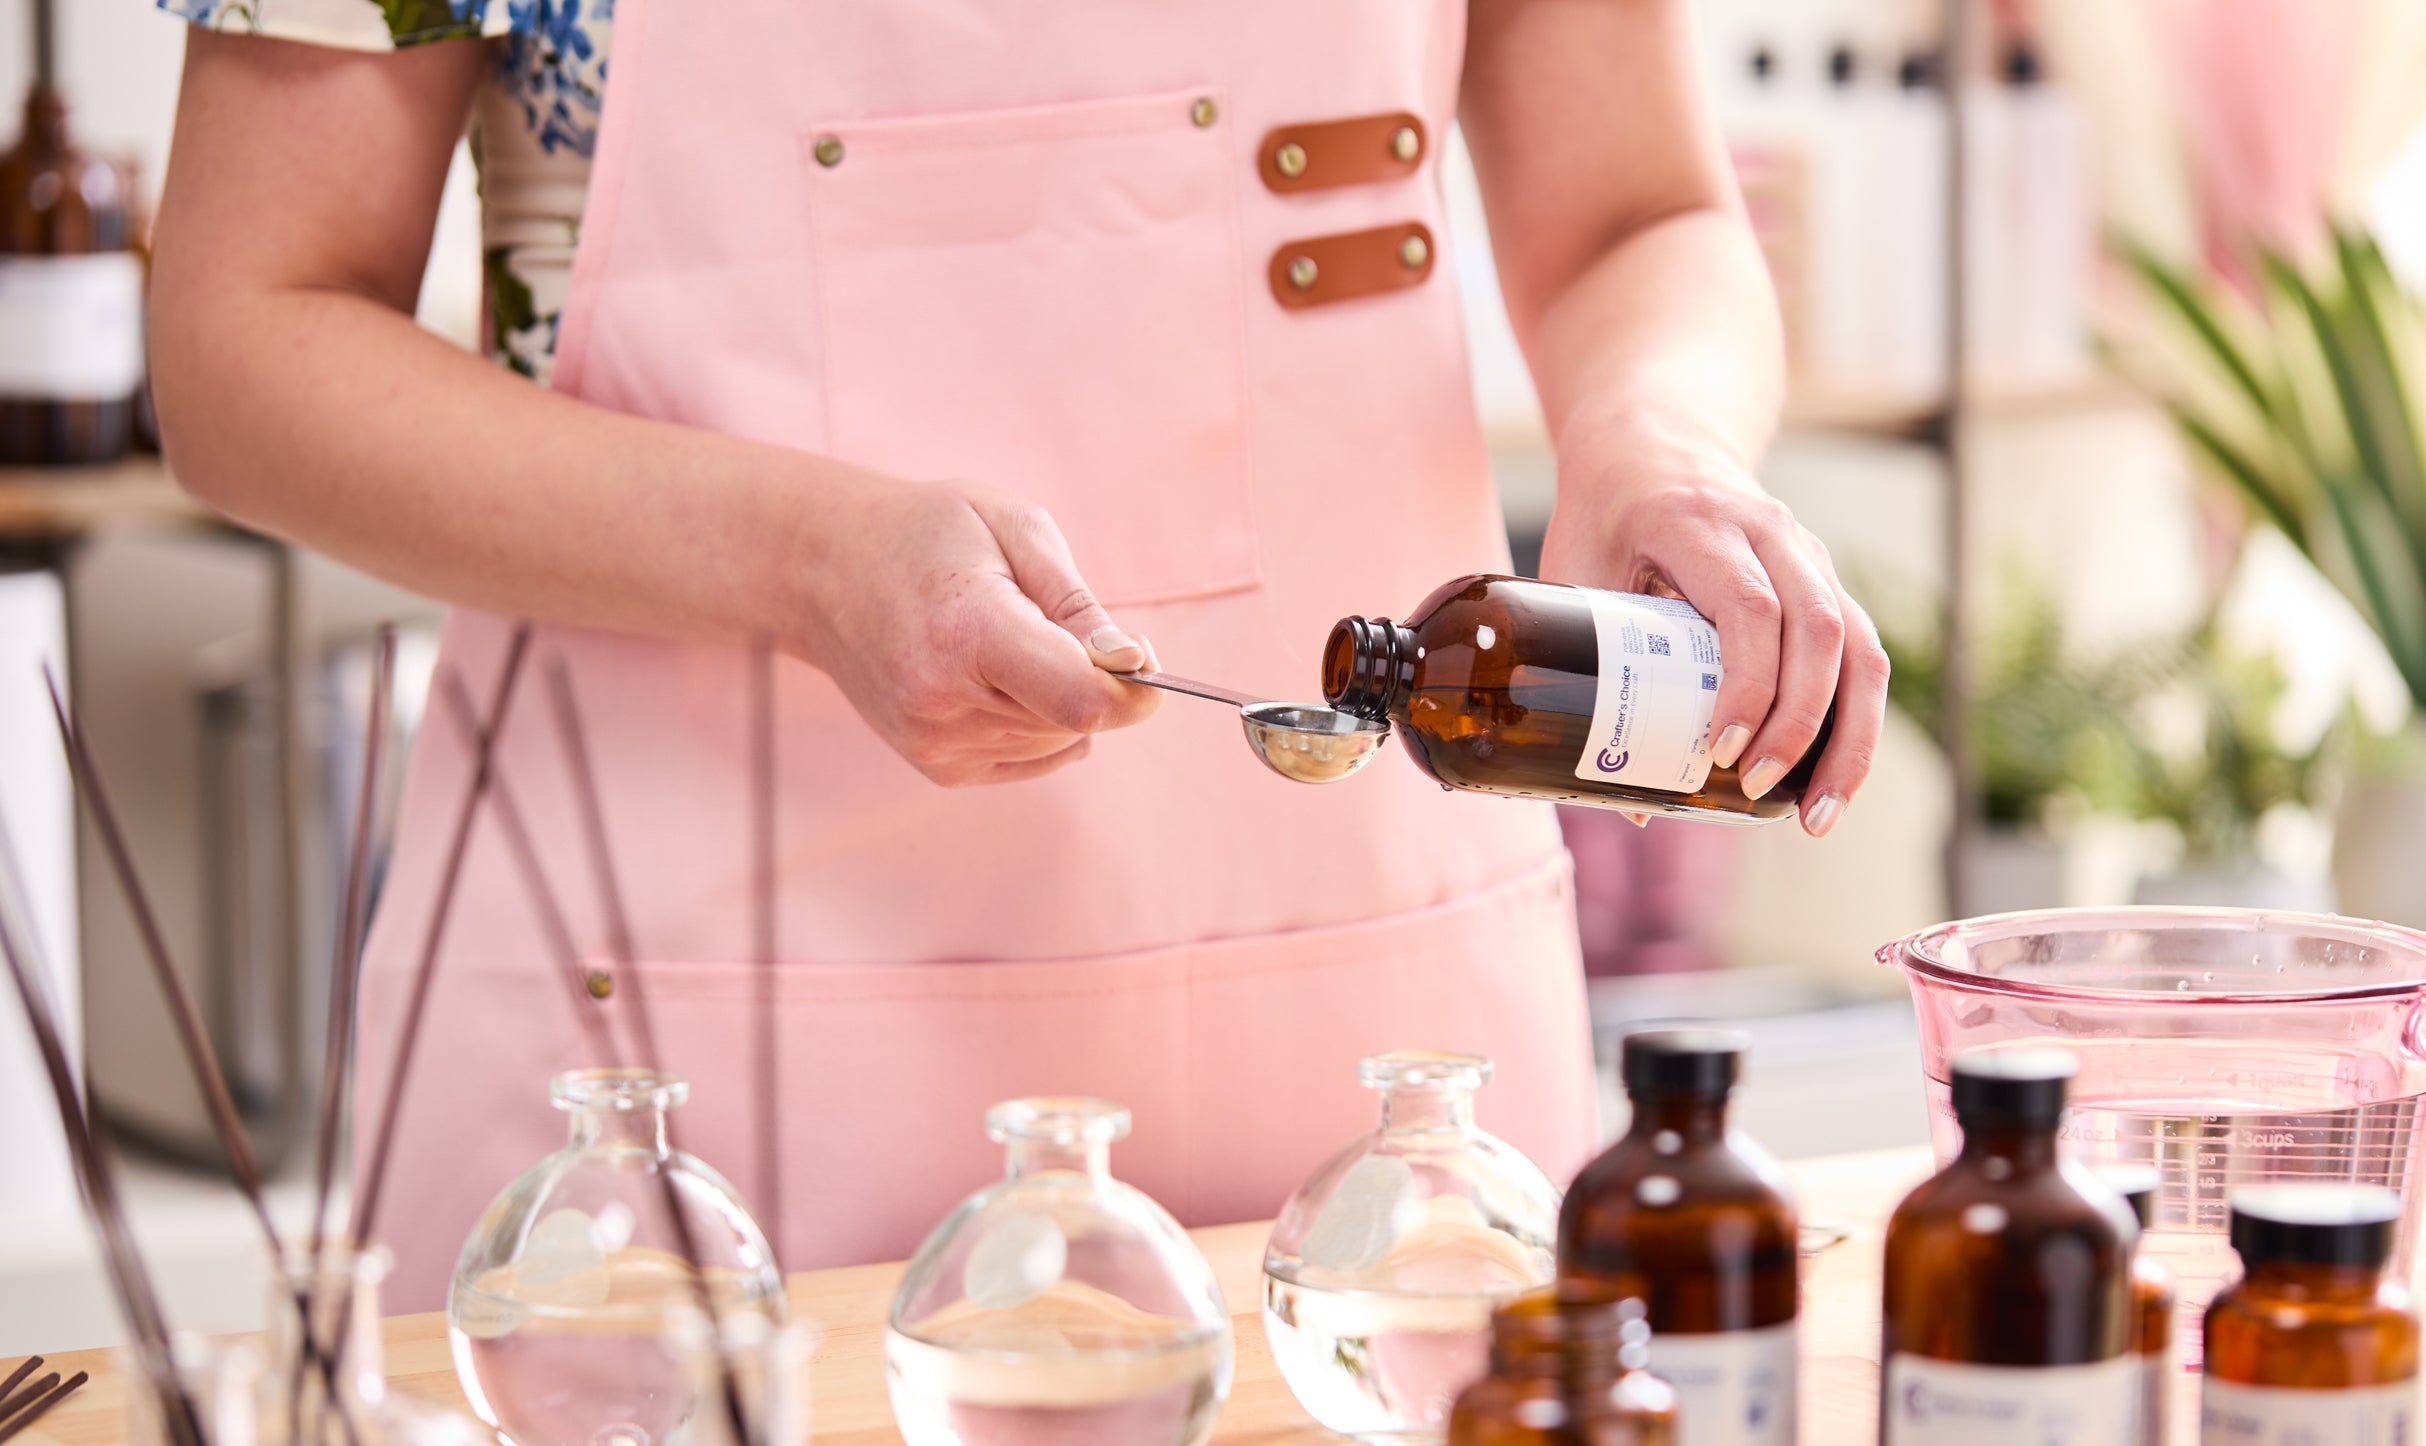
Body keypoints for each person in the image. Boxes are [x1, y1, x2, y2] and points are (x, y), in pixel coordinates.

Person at [147, 0, 1889, 1304]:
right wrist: (803, 556)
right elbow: (245, 343)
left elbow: (1637, 213)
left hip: (1378, 1048)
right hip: (673, 1068)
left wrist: (1658, 438)